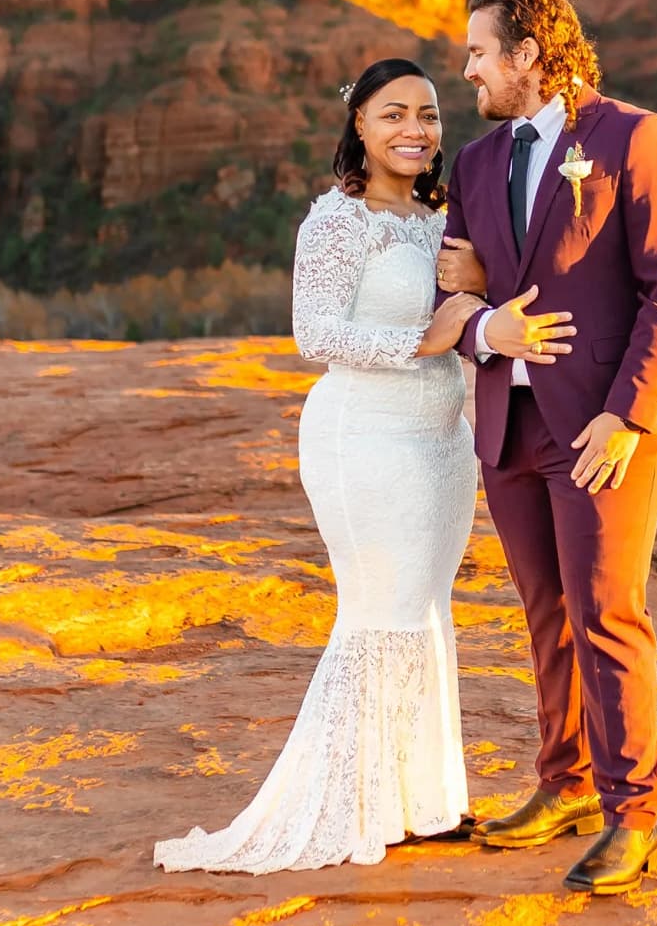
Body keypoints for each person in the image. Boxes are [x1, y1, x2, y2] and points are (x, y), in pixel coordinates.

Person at [153, 57, 561, 876]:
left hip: (443, 443)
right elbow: (317, 334)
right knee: (382, 609)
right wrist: (427, 338)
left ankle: (421, 800)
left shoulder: (439, 218)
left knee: (423, 607)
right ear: (361, 129)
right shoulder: (336, 222)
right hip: (365, 439)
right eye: (393, 115)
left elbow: (479, 307)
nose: (415, 130)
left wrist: (476, 294)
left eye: (430, 115)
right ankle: (352, 805)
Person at [437, 0, 657, 896]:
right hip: (509, 423)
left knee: (606, 612)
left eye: (478, 53)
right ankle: (566, 783)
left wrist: (627, 415)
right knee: (545, 616)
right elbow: (454, 292)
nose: (466, 71)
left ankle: (634, 815)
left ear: (528, 55)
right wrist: (481, 331)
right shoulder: (473, 165)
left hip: (605, 426)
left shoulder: (634, 137)